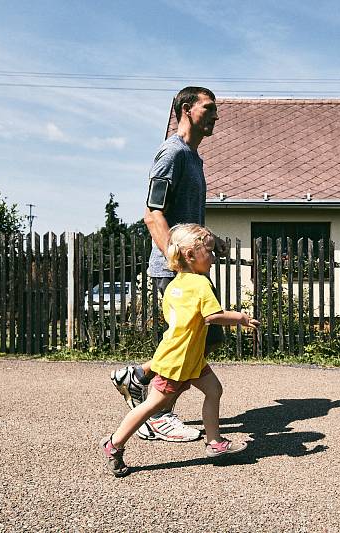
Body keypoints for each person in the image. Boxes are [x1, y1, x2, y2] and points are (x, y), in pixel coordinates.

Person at [110, 86, 226, 442]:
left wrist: (209, 240)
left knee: (206, 339)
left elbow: (183, 216)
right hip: (174, 271)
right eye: (209, 108)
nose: (215, 115)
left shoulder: (194, 157)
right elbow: (152, 214)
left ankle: (139, 376)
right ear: (187, 109)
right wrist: (177, 262)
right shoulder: (172, 153)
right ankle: (158, 414)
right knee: (185, 342)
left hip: (189, 268)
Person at [100, 224, 259, 477]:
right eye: (209, 251)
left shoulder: (175, 285)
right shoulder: (200, 284)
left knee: (214, 390)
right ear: (190, 254)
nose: (214, 256)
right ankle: (114, 444)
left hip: (187, 356)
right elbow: (212, 316)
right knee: (152, 406)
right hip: (179, 360)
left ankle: (215, 442)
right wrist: (240, 317)